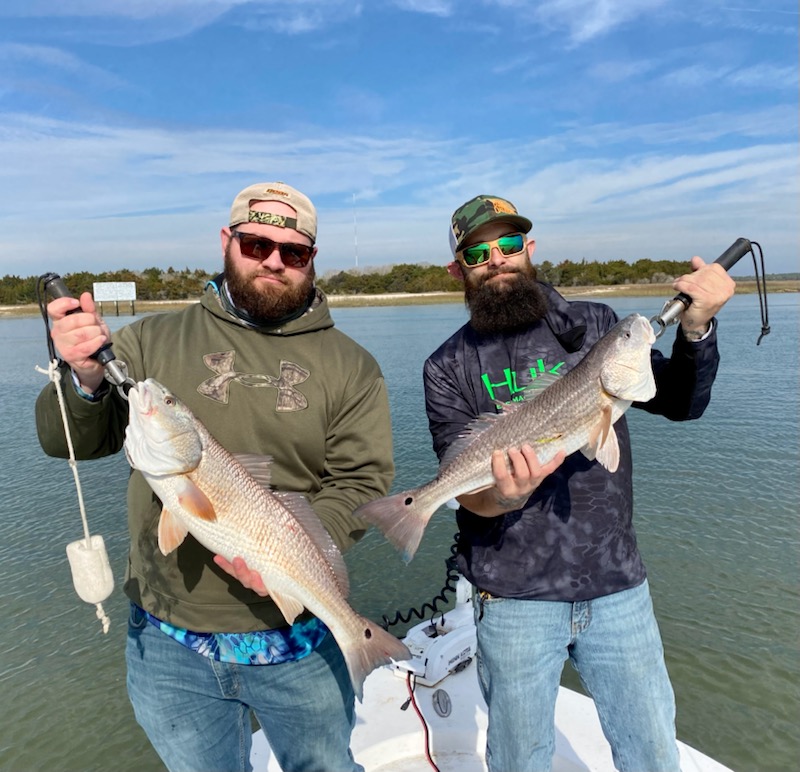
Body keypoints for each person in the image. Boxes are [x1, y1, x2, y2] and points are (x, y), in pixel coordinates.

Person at [35, 182, 395, 772]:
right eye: (256, 243)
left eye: (294, 251)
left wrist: (291, 545)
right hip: (167, 638)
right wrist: (84, 379)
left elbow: (361, 480)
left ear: (311, 258)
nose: (273, 260)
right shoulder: (150, 340)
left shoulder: (352, 365)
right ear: (227, 241)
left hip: (295, 635)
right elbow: (67, 441)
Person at [423, 194, 735, 772]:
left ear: (530, 250)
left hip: (617, 585)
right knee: (519, 760)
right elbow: (465, 490)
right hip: (511, 597)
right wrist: (503, 494)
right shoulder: (445, 367)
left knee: (652, 755)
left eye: (509, 244)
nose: (497, 259)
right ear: (458, 268)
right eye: (478, 252)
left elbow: (681, 403)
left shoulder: (594, 323)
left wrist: (696, 329)